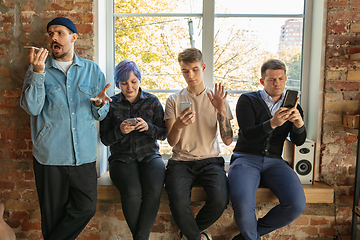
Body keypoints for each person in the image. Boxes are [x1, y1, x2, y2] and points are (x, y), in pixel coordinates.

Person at [20, 17, 112, 240]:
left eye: (60, 33)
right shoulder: (36, 70)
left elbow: (100, 112)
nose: (54, 37)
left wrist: (100, 105)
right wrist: (38, 73)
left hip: (84, 157)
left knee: (87, 207)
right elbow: (32, 108)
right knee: (52, 218)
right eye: (51, 33)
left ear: (73, 37)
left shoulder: (92, 71)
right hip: (50, 157)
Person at [228, 59, 307, 240]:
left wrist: (299, 123)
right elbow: (247, 134)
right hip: (245, 158)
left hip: (274, 161)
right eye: (271, 79)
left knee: (296, 204)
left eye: (280, 78)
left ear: (286, 79)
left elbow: (299, 141)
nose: (276, 83)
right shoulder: (247, 100)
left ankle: (247, 237)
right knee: (242, 202)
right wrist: (272, 123)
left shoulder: (293, 105)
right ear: (262, 81)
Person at [164, 47, 233, 240]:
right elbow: (171, 141)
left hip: (210, 160)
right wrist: (178, 125)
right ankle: (196, 237)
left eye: (194, 69)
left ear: (203, 68)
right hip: (180, 162)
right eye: (185, 71)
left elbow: (228, 140)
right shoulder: (173, 100)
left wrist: (221, 112)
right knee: (177, 203)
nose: (190, 75)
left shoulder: (217, 99)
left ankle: (188, 233)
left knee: (220, 200)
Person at [100, 59, 167, 240]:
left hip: (150, 156)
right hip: (121, 158)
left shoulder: (152, 101)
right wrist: (119, 131)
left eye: (133, 82)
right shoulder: (111, 103)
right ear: (117, 84)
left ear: (139, 80)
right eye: (124, 83)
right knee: (131, 192)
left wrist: (149, 128)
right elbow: (105, 139)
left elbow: (163, 134)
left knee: (153, 190)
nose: (129, 87)